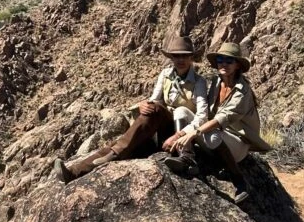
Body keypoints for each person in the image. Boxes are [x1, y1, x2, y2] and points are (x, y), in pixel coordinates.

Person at [53, 36, 208, 182]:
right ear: (171, 58)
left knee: (155, 113)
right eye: (176, 56)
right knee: (122, 142)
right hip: (159, 131)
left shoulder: (199, 82)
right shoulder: (166, 74)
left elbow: (202, 116)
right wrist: (143, 104)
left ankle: (117, 154)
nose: (180, 60)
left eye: (184, 56)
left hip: (180, 135)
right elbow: (154, 100)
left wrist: (178, 136)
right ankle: (73, 172)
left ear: (191, 58)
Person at [168, 41, 271, 204]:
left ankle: (239, 181)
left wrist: (193, 132)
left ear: (237, 65)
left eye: (229, 61)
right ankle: (186, 157)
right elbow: (206, 113)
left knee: (212, 134)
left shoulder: (242, 92)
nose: (224, 64)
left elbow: (220, 119)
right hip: (216, 134)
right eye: (221, 60)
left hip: (237, 142)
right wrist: (181, 133)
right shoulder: (217, 82)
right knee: (181, 112)